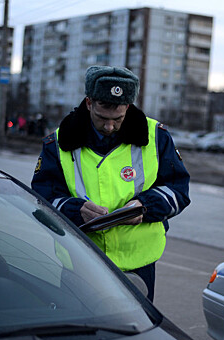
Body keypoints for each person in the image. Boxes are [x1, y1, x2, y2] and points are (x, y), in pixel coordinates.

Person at [31, 65, 190, 301]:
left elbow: (179, 192)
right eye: (102, 118)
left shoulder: (156, 136)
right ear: (89, 103)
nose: (109, 126)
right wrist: (77, 210)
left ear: (128, 107)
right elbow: (41, 199)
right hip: (80, 262)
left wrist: (144, 207)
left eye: (118, 119)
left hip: (138, 264)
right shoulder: (57, 142)